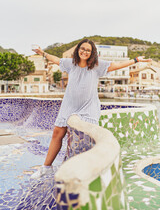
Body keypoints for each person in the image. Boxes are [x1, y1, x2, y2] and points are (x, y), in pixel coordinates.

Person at [31, 39, 152, 179]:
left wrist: (136, 60)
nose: (84, 52)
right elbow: (56, 59)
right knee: (57, 133)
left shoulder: (97, 66)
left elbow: (118, 64)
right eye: (82, 49)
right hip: (68, 105)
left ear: (92, 53)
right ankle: (46, 168)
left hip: (88, 107)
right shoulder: (71, 64)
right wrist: (42, 53)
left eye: (88, 50)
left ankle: (90, 171)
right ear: (78, 50)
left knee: (87, 138)